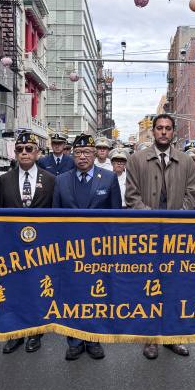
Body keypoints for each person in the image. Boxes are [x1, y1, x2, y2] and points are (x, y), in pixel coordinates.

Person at [126, 113, 195, 359]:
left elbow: (192, 196)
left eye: (168, 128)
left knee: (175, 288)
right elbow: (132, 197)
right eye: (159, 128)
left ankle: (172, 337)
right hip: (147, 236)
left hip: (177, 238)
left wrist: (175, 222)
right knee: (149, 287)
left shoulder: (187, 162)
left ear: (173, 131)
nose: (164, 132)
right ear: (153, 131)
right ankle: (150, 339)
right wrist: (154, 221)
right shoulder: (136, 160)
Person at [53, 133, 121, 360]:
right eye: (78, 153)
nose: (82, 157)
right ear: (72, 155)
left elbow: (116, 217)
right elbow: (54, 217)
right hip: (70, 249)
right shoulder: (62, 180)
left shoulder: (109, 178)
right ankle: (74, 340)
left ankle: (93, 338)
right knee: (72, 295)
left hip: (99, 250)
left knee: (96, 295)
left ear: (95, 155)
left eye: (87, 153)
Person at [0, 132, 55, 354]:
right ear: (15, 152)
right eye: (20, 149)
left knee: (37, 291)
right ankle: (15, 333)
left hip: (42, 248)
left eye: (29, 149)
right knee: (14, 291)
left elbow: (55, 214)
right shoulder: (4, 181)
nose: (24, 153)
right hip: (13, 247)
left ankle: (35, 333)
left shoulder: (50, 180)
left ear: (37, 152)